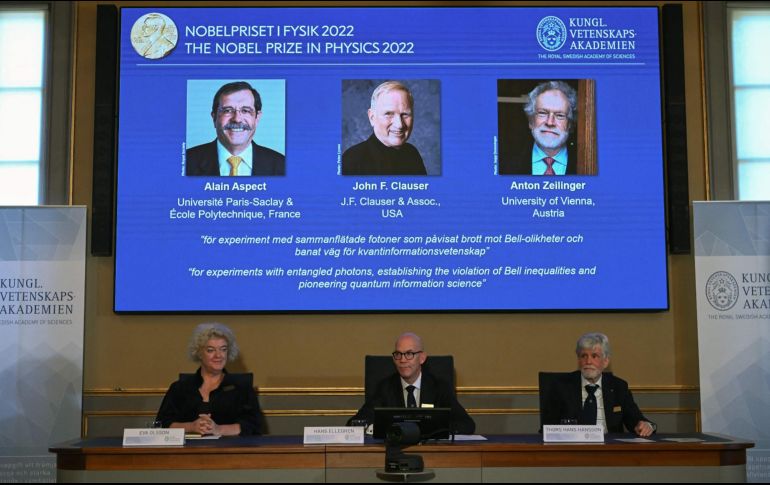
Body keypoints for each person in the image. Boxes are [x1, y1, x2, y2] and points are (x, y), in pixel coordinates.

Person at [347, 332, 475, 434]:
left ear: (422, 358)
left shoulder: (439, 386)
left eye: (409, 354)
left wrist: (431, 429)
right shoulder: (385, 387)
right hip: (393, 451)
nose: (402, 360)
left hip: (432, 453)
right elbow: (354, 424)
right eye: (398, 354)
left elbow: (467, 425)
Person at [156, 322, 264, 435]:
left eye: (223, 349)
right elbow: (162, 424)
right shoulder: (180, 388)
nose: (218, 355)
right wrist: (191, 427)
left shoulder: (242, 387)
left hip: (229, 451)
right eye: (210, 350)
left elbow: (254, 426)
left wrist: (218, 429)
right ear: (199, 353)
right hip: (188, 450)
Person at [540, 332, 656, 436]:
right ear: (578, 359)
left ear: (605, 361)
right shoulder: (561, 386)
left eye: (594, 356)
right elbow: (547, 428)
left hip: (610, 451)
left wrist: (647, 426)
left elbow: (636, 420)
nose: (588, 361)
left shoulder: (618, 387)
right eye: (583, 356)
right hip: (572, 450)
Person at [186, 81, 285, 176]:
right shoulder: (186, 163)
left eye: (245, 111)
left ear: (257, 118)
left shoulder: (282, 166)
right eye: (228, 110)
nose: (237, 119)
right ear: (214, 117)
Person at [342, 81, 427, 175]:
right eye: (389, 114)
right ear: (372, 117)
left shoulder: (412, 154)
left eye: (405, 114)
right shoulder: (352, 160)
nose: (399, 125)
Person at [499, 80, 578, 175]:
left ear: (570, 124)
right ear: (531, 121)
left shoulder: (585, 163)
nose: (550, 122)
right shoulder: (505, 163)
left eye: (559, 115)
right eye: (542, 113)